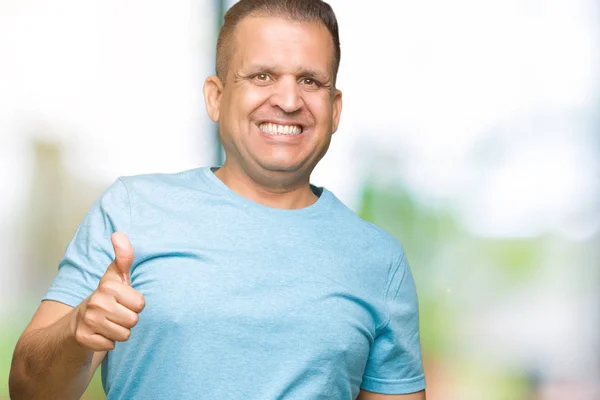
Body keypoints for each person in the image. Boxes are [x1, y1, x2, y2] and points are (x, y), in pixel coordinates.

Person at [9, 0, 427, 399]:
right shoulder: (131, 211)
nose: (287, 101)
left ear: (334, 109)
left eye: (310, 81)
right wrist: (77, 330)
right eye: (262, 76)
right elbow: (27, 391)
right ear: (216, 96)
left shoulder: (378, 260)